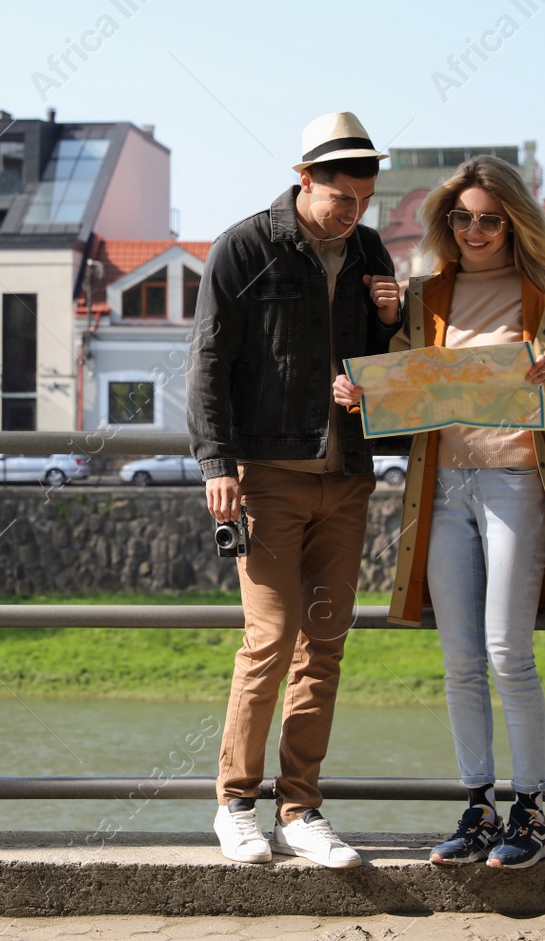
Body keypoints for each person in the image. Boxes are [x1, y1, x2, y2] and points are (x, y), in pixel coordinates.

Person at [333, 154, 545, 870]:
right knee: (459, 660)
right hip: (443, 487)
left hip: (516, 484)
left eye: (488, 218)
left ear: (513, 220)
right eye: (461, 217)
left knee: (509, 653)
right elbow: (407, 377)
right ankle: (478, 803)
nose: (474, 230)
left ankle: (531, 809)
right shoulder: (428, 292)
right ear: (446, 221)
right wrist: (366, 390)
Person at [188, 112, 401, 869]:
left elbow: (383, 372)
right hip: (268, 479)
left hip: (347, 480)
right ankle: (235, 803)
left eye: (364, 200)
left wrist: (391, 319)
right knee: (270, 639)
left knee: (325, 648)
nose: (353, 214)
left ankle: (301, 809)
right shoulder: (244, 247)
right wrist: (217, 463)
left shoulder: (371, 251)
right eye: (341, 198)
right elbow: (210, 363)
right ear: (304, 177)